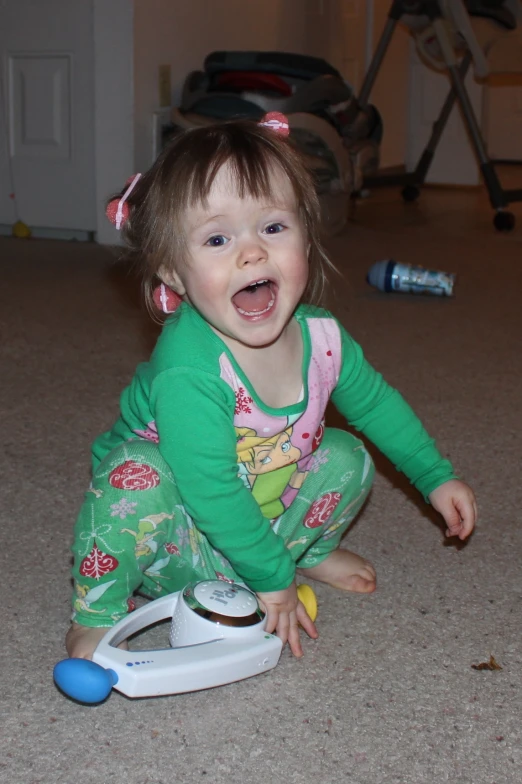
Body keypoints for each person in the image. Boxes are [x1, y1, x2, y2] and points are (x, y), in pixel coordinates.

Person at [66, 113, 477, 661]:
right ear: (171, 271)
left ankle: (304, 549)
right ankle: (96, 613)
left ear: (307, 232)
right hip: (168, 533)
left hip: (258, 509)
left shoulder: (324, 342)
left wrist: (434, 476)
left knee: (347, 454)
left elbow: (377, 406)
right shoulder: (190, 369)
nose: (252, 252)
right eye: (217, 238)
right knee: (131, 477)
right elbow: (208, 487)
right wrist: (270, 576)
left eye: (274, 227)